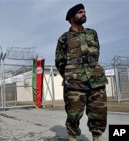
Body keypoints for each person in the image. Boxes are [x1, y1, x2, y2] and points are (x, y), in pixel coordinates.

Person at [55, 4, 108, 141]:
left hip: (96, 80)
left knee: (99, 113)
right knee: (73, 115)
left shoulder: (92, 33)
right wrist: (70, 76)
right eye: (80, 12)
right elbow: (60, 62)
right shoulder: (64, 38)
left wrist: (92, 70)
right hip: (74, 83)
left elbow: (96, 55)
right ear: (71, 17)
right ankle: (72, 137)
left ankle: (97, 138)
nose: (83, 13)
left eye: (84, 11)